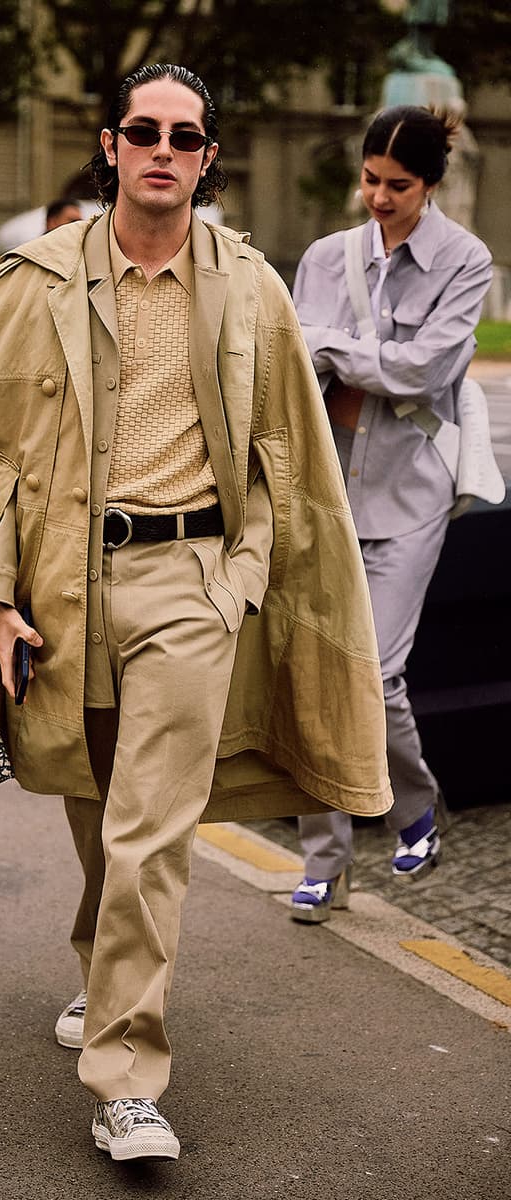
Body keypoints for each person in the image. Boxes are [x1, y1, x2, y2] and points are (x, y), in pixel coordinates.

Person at [0, 64, 391, 1162]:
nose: (161, 148)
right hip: (64, 588)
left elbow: (290, 457)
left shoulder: (249, 288)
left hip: (193, 583)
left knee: (152, 827)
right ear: (109, 146)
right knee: (97, 804)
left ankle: (126, 1078)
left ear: (207, 157)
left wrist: (240, 578)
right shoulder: (38, 279)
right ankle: (98, 966)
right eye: (141, 130)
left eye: (183, 134)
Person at [289, 106, 493, 923]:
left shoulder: (465, 260)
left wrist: (336, 350)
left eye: (398, 186)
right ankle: (323, 863)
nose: (378, 197)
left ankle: (413, 803)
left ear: (431, 186)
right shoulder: (323, 257)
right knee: (311, 674)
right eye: (371, 179)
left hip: (411, 491)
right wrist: (347, 356)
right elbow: (288, 352)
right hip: (324, 488)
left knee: (373, 673)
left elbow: (423, 371)